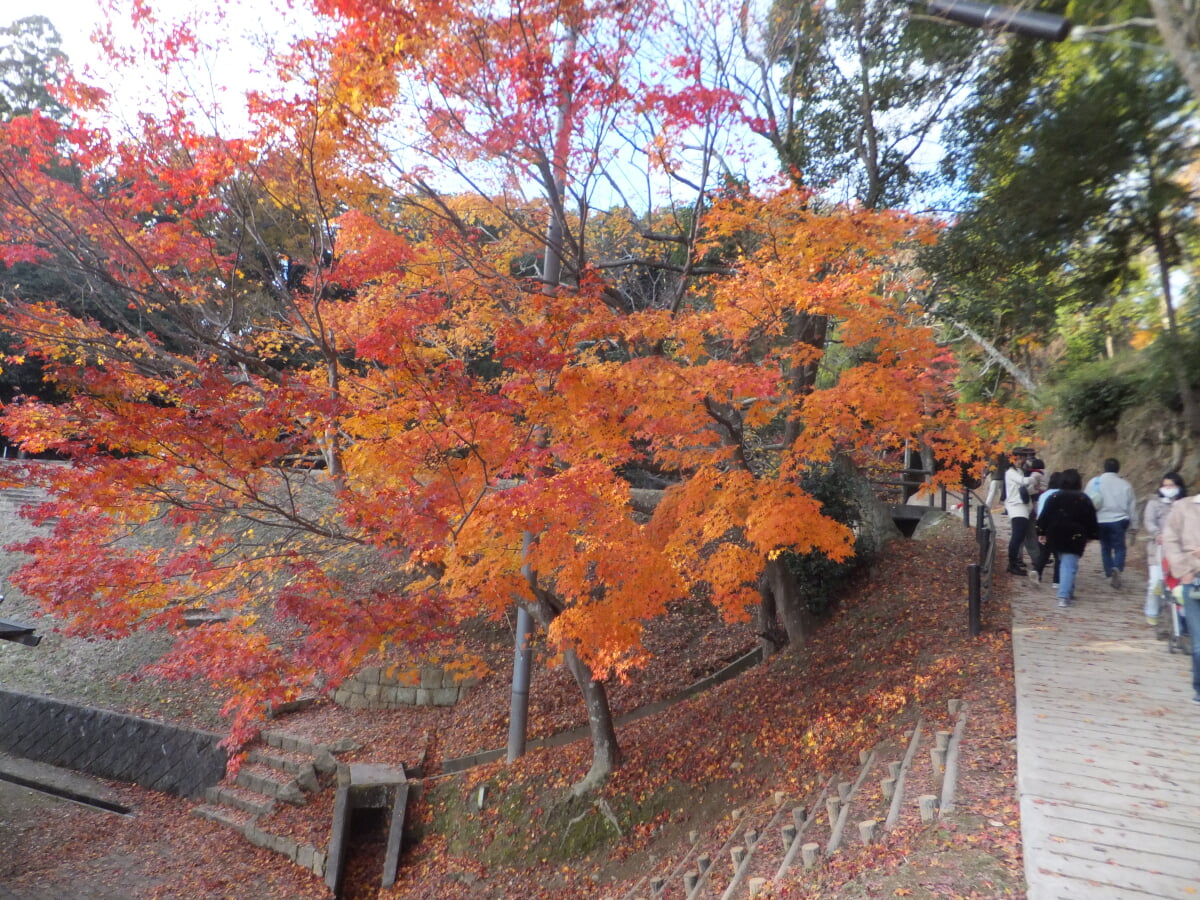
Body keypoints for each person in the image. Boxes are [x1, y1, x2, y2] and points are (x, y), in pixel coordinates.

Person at [1037, 469, 1100, 608]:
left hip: (1056, 533)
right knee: (1069, 563)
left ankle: (1068, 590)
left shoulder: (1054, 497)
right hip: (1076, 535)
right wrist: (1092, 535)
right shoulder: (1083, 499)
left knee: (1066, 562)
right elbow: (1091, 519)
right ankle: (1064, 595)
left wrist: (1041, 532)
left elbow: (1044, 516)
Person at [1162, 487, 1200, 703]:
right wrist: (1183, 571)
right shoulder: (1184, 507)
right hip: (1193, 579)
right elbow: (1170, 539)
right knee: (1198, 643)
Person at [1143, 472, 1187, 626]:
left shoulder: (1185, 504)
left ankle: (1180, 618)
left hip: (1179, 551)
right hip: (1158, 549)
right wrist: (1157, 533)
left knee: (1177, 585)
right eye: (1165, 485)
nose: (1168, 488)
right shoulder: (1154, 503)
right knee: (1155, 582)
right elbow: (1149, 521)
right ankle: (1152, 612)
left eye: (1171, 486)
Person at [1087, 458, 1138, 588]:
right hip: (1119, 520)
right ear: (1118, 469)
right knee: (1120, 547)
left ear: (1104, 468)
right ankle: (1117, 569)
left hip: (1100, 520)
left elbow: (1086, 501)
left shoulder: (1094, 482)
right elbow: (1132, 507)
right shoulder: (1125, 484)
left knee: (1105, 547)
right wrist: (1134, 525)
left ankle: (1109, 573)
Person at [1002, 453, 1038, 575]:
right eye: (1016, 459)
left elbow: (1023, 488)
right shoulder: (1010, 472)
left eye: (1020, 459)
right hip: (1016, 506)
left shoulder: (1019, 471)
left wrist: (1033, 487)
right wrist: (1035, 478)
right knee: (1017, 536)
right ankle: (1012, 563)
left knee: (1020, 536)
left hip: (1023, 505)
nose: (1019, 461)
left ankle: (1015, 562)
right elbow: (1022, 482)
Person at [1032, 471, 1063, 584]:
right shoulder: (1061, 494)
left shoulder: (1044, 495)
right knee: (1058, 555)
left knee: (1044, 553)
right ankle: (1057, 581)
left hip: (1041, 525)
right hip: (1058, 527)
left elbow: (1039, 511)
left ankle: (1037, 573)